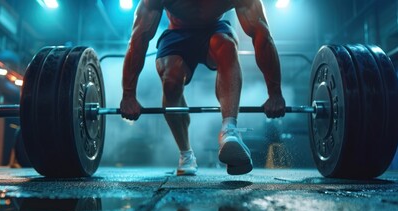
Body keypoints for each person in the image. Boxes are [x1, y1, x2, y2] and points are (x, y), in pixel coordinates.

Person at [120, 0, 286, 176]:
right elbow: (139, 37)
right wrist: (128, 95)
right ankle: (186, 154)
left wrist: (274, 93)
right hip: (176, 32)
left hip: (215, 29)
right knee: (171, 79)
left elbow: (262, 35)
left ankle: (229, 131)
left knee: (226, 46)